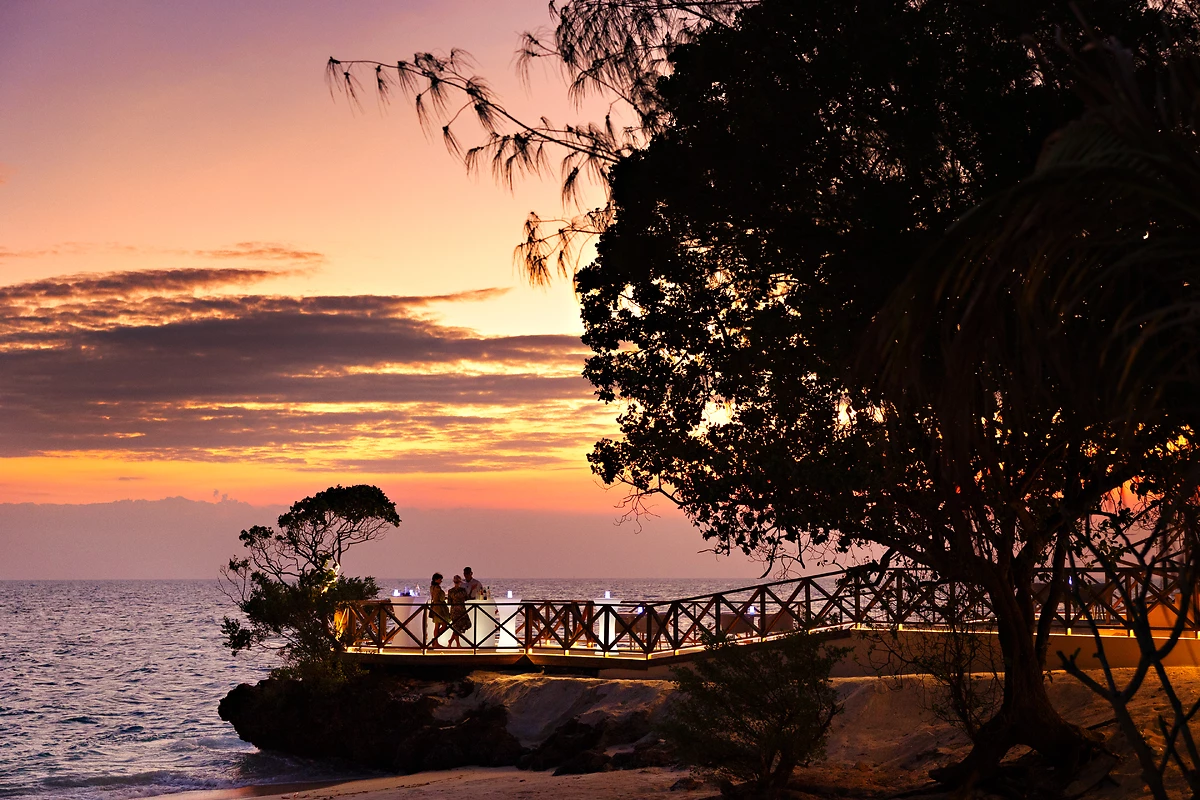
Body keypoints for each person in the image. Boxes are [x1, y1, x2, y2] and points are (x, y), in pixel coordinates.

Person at [446, 574, 471, 647]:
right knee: (463, 626)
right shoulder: (463, 590)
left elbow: (449, 602)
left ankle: (451, 641)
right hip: (462, 610)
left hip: (454, 610)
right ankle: (457, 644)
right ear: (460, 582)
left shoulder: (450, 591)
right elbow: (467, 598)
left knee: (456, 627)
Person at [428, 573, 449, 648]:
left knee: (437, 625)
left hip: (435, 607)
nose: (441, 581)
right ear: (436, 579)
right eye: (440, 579)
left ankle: (435, 642)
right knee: (444, 625)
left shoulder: (432, 587)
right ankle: (435, 641)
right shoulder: (437, 588)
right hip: (440, 608)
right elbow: (441, 598)